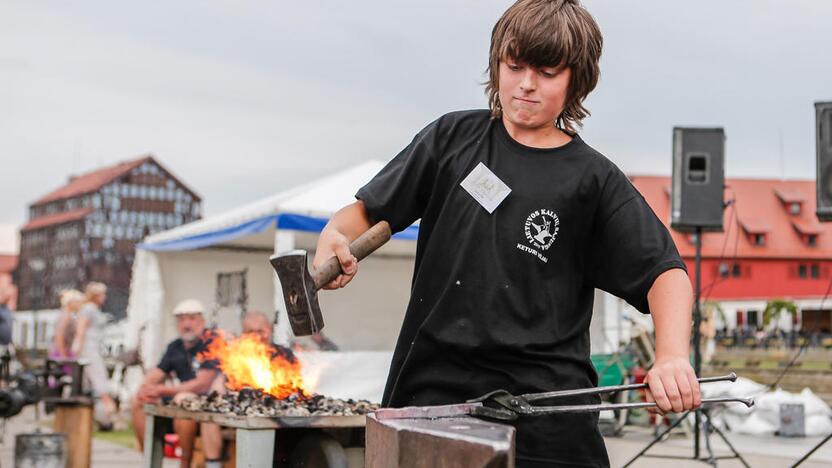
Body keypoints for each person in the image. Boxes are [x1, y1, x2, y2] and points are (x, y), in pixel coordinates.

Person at [312, 1, 700, 466]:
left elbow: (665, 273)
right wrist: (334, 234)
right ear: (497, 62)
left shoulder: (594, 181)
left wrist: (673, 355)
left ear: (577, 79)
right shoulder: (452, 139)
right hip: (431, 402)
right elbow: (365, 212)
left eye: (548, 72)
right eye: (514, 66)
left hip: (547, 418)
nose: (526, 84)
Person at [198, 311, 295, 468]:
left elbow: (294, 387)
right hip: (239, 411)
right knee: (208, 417)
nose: (257, 336)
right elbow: (219, 386)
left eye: (260, 331)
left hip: (276, 411)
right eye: (251, 332)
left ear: (269, 330)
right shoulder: (236, 356)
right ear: (243, 334)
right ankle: (213, 465)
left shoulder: (283, 354)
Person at [130, 299, 218, 468]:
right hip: (180, 399)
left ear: (202, 320)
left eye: (191, 319)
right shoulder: (175, 346)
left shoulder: (211, 342)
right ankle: (148, 458)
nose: (186, 324)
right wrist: (144, 389)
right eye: (182, 319)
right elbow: (157, 373)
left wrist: (162, 390)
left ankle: (184, 463)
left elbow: (202, 384)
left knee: (183, 401)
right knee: (138, 401)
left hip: (209, 403)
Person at [74, 282, 117, 429]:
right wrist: (77, 350)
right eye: (102, 294)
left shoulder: (94, 310)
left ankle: (103, 416)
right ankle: (107, 412)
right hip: (88, 349)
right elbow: (81, 330)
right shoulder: (88, 309)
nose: (104, 297)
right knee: (98, 380)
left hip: (95, 348)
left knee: (96, 381)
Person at [50, 289, 84, 360]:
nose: (80, 304)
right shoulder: (65, 316)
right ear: (70, 302)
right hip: (62, 352)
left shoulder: (67, 315)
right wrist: (63, 355)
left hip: (65, 351)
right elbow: (59, 335)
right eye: (78, 302)